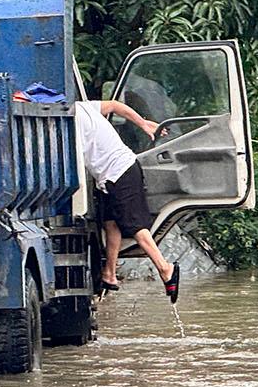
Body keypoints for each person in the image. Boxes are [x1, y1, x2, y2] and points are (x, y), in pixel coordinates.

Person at [73, 99, 181, 303]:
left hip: (119, 172)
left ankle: (165, 269)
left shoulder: (69, 119)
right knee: (111, 223)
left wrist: (143, 124)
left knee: (135, 226)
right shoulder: (83, 107)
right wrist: (142, 123)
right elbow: (115, 105)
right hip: (111, 175)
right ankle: (109, 274)